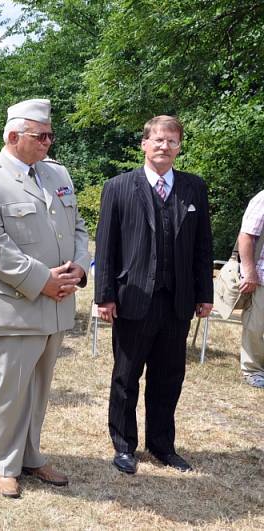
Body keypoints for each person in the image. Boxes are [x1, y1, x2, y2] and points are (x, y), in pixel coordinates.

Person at [0, 99, 90, 497]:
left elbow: (79, 226)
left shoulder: (57, 174)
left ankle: (31, 456)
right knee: (11, 390)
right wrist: (42, 280)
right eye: (41, 136)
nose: (49, 142)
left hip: (56, 305)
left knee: (39, 388)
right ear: (13, 136)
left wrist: (81, 268)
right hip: (16, 306)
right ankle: (4, 462)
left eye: (51, 134)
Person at [95, 115, 213, 475]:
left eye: (172, 141)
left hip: (176, 302)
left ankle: (162, 445)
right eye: (158, 140)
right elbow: (106, 245)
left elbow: (202, 246)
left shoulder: (194, 188)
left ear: (179, 147)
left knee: (168, 377)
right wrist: (105, 295)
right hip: (132, 299)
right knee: (126, 376)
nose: (164, 146)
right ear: (144, 144)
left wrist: (204, 293)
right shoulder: (118, 187)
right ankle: (124, 445)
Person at [238, 191, 264, 389]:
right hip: (261, 275)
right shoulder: (262, 198)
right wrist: (249, 272)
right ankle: (252, 370)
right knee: (255, 326)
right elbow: (246, 236)